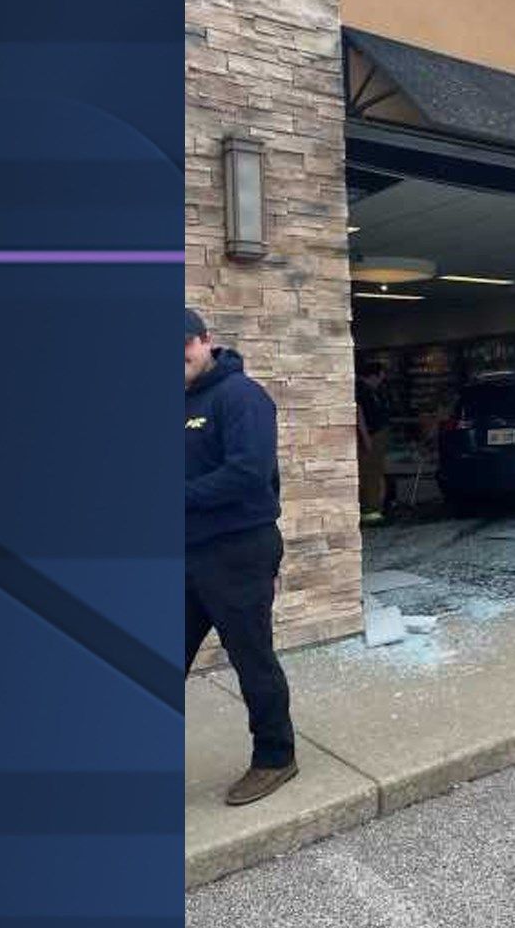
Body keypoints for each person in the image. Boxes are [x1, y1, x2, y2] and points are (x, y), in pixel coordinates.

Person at [184, 307, 297, 806]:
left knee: (251, 658)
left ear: (206, 340)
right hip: (184, 552)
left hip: (239, 550)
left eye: (181, 346)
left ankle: (276, 758)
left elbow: (248, 472)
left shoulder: (240, 396)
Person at [355, 361, 392, 525]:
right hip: (372, 434)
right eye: (380, 378)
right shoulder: (361, 390)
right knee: (370, 473)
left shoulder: (371, 390)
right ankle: (371, 511)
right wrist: (366, 438)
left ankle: (378, 505)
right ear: (372, 376)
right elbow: (359, 414)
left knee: (376, 471)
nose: (381, 382)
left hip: (377, 434)